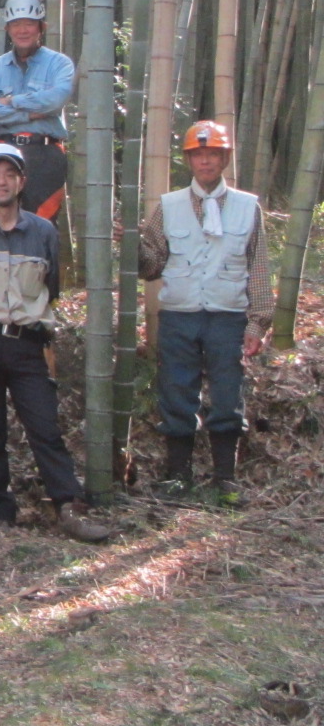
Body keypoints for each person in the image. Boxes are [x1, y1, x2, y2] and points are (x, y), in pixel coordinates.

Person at [0, 144, 110, 540]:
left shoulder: (43, 232)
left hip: (27, 343)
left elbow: (52, 286)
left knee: (44, 426)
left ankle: (68, 504)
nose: (1, 181)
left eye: (9, 174)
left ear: (22, 181)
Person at [139, 121, 274, 500]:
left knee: (228, 396)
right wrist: (134, 244)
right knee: (176, 394)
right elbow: (151, 267)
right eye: (198, 154)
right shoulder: (168, 206)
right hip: (179, 314)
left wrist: (258, 322)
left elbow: (259, 267)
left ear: (224, 158)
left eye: (213, 153)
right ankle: (177, 476)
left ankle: (224, 479)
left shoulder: (248, 207)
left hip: (228, 315)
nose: (206, 161)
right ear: (189, 159)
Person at [0, 0, 74, 220]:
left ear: (41, 27)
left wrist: (12, 101)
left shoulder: (59, 64)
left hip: (46, 154)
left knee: (42, 223)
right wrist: (32, 114)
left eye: (29, 24)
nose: (23, 30)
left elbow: (56, 100)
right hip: (2, 151)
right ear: (7, 29)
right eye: (16, 24)